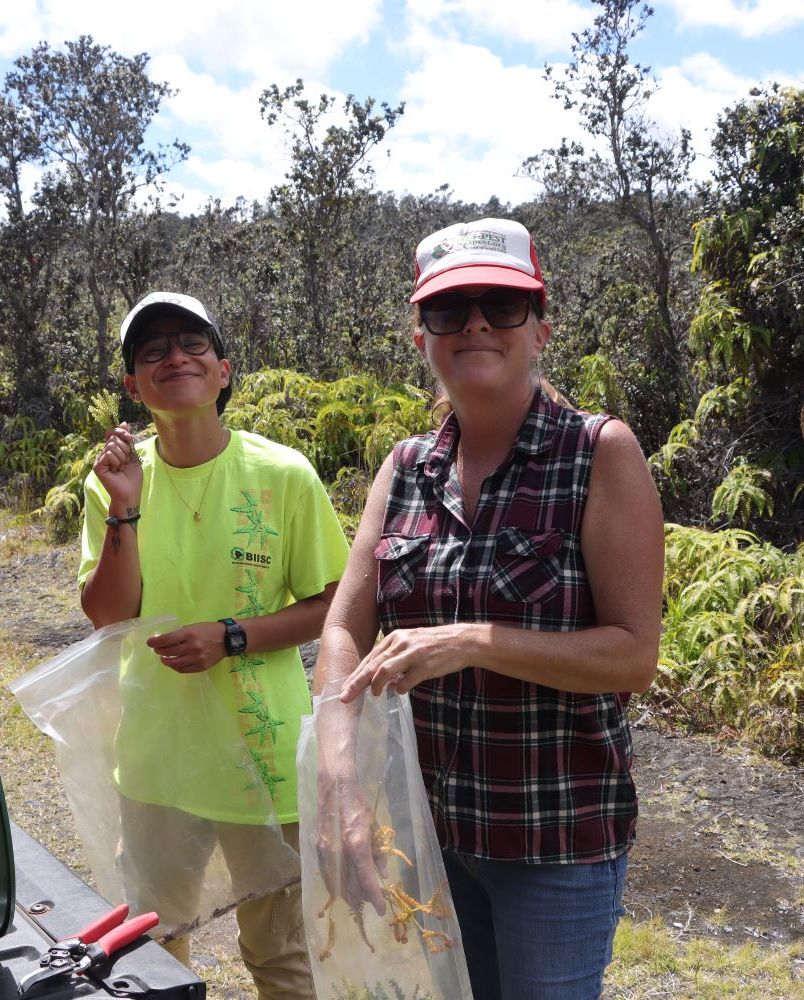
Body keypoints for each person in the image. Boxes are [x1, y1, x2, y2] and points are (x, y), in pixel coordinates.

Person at [314, 219, 663, 999]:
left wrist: (471, 639)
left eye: (502, 305)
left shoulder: (598, 453)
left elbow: (634, 653)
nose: (475, 321)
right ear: (421, 338)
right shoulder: (405, 468)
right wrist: (338, 781)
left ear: (540, 328)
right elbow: (343, 626)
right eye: (449, 308)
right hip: (429, 835)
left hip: (556, 839)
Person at [79, 290, 350, 1000]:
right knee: (152, 949)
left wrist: (234, 638)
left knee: (281, 953)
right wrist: (125, 507)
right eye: (152, 350)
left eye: (193, 343)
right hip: (157, 758)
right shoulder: (111, 480)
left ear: (224, 371)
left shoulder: (283, 475)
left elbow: (334, 604)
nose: (175, 356)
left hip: (267, 756)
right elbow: (109, 616)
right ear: (133, 385)